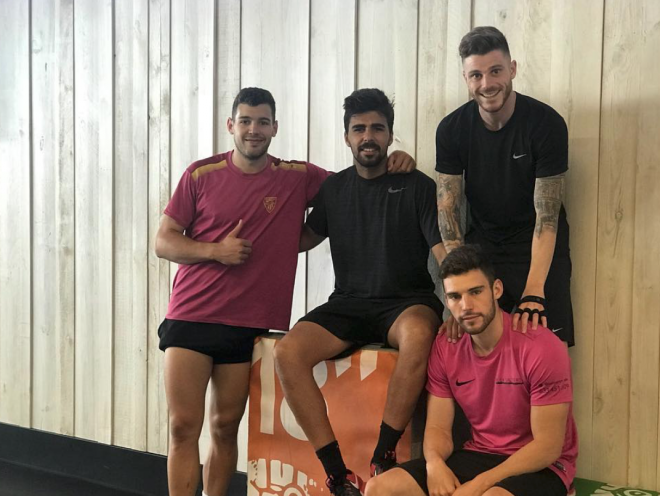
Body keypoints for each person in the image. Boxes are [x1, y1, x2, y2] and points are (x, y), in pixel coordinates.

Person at [154, 87, 415, 496]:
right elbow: (164, 242)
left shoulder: (299, 177)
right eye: (245, 121)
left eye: (262, 122)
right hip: (191, 315)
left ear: (275, 127)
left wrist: (401, 161)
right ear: (231, 126)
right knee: (183, 426)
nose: (253, 130)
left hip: (250, 324)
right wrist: (214, 251)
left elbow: (358, 183)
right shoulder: (200, 174)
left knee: (225, 427)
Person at [274, 88, 446, 496]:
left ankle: (383, 458)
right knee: (287, 353)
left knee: (421, 334)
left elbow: (443, 251)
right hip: (348, 304)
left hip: (407, 303)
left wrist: (461, 298)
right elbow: (298, 241)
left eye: (377, 128)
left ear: (390, 135)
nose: (368, 136)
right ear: (346, 136)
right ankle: (337, 475)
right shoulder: (334, 190)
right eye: (359, 129)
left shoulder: (418, 185)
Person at [365, 244, 578, 496]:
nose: (466, 306)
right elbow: (438, 428)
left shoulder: (542, 347)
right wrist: (435, 465)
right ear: (447, 300)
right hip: (479, 454)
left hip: (542, 466)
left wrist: (479, 485)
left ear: (496, 289)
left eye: (475, 292)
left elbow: (547, 447)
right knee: (379, 488)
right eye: (455, 297)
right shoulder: (446, 347)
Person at [435, 26, 574, 345]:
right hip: (483, 246)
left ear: (512, 69)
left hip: (538, 248)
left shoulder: (546, 123)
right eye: (476, 75)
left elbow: (547, 216)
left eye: (495, 71)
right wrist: (461, 284)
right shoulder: (451, 129)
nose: (487, 84)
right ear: (466, 78)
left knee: (545, 349)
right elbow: (449, 214)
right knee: (483, 350)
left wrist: (534, 291)